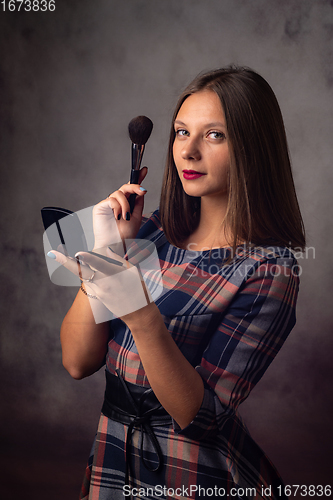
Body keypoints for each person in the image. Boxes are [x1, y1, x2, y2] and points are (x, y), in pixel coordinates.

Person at [49, 66, 305, 499]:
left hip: (192, 477)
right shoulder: (150, 233)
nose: (188, 152)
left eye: (215, 135)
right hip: (113, 460)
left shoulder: (268, 269)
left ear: (254, 148)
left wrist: (141, 315)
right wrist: (106, 258)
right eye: (182, 132)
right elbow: (77, 363)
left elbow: (199, 417)